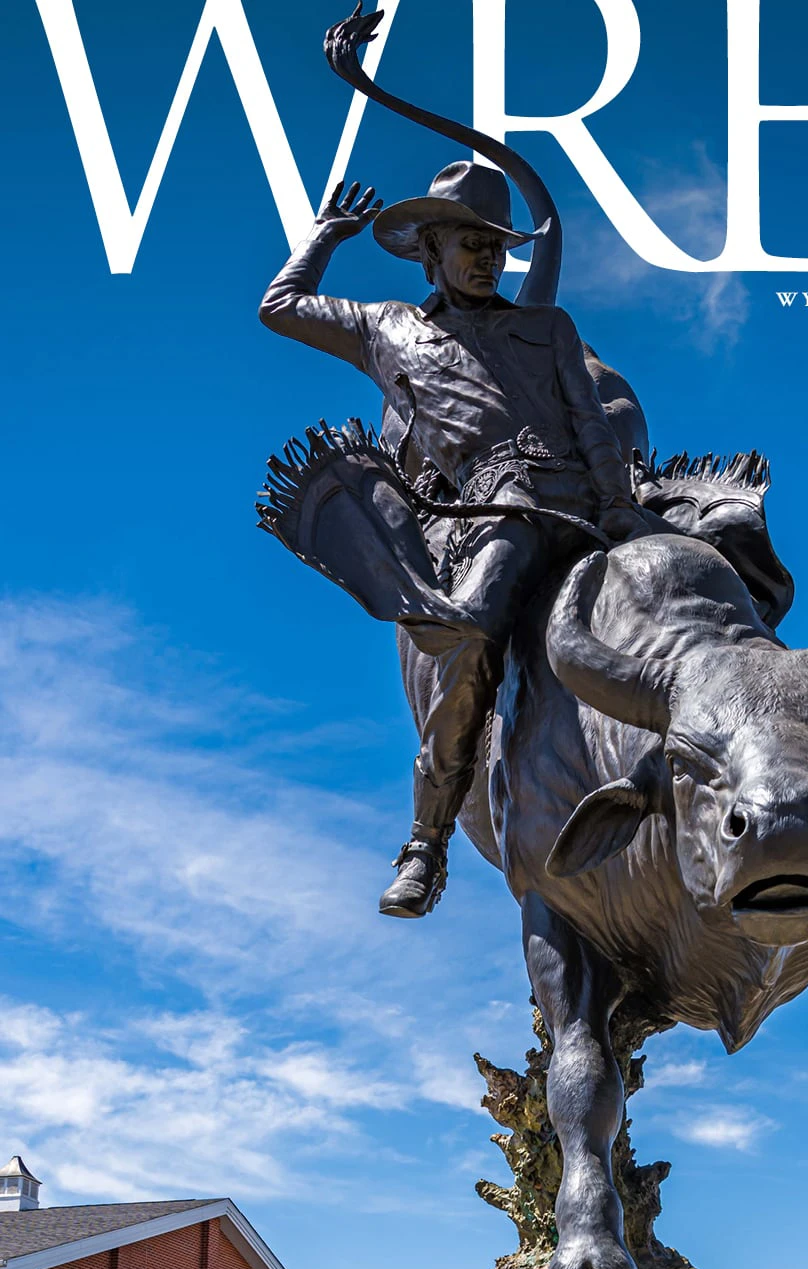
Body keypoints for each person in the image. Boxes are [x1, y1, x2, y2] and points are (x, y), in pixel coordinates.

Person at [260, 164, 650, 917]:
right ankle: (427, 844)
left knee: (712, 563)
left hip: (588, 506)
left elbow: (595, 426)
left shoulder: (549, 328)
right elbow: (279, 306)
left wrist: (622, 506)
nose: (487, 259)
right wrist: (323, 237)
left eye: (497, 247)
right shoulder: (385, 329)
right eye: (472, 244)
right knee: (469, 637)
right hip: (502, 515)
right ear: (429, 248)